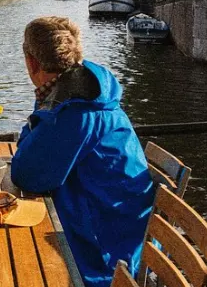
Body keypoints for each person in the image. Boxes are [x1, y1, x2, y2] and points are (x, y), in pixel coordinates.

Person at [10, 16, 154, 287]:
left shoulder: (76, 111)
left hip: (105, 254)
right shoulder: (82, 94)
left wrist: (32, 131)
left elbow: (27, 174)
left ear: (31, 63)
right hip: (117, 226)